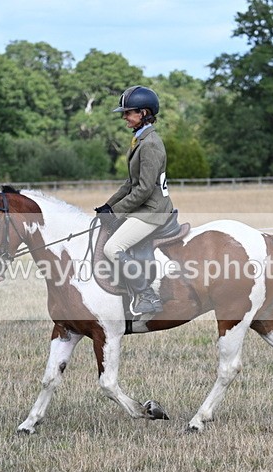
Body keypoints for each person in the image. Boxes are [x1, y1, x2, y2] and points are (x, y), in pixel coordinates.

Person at [95, 85, 173, 315]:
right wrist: (109, 205)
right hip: (143, 206)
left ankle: (147, 295)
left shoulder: (150, 144)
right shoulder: (140, 140)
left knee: (113, 247)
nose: (124, 117)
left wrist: (116, 212)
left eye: (128, 112)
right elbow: (130, 184)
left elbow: (145, 189)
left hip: (152, 209)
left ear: (144, 113)